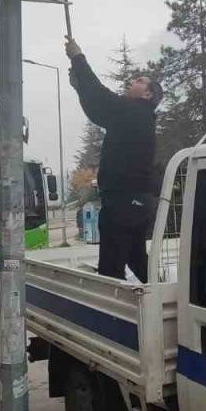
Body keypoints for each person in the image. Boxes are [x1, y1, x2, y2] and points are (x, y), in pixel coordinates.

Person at [65, 36, 161, 281]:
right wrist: (79, 88)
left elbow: (101, 97)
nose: (132, 81)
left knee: (111, 267)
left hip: (123, 202)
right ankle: (162, 300)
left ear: (148, 94)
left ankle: (115, 315)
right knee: (136, 258)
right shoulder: (137, 116)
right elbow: (99, 111)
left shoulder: (136, 111)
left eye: (139, 81)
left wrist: (78, 58)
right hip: (135, 202)